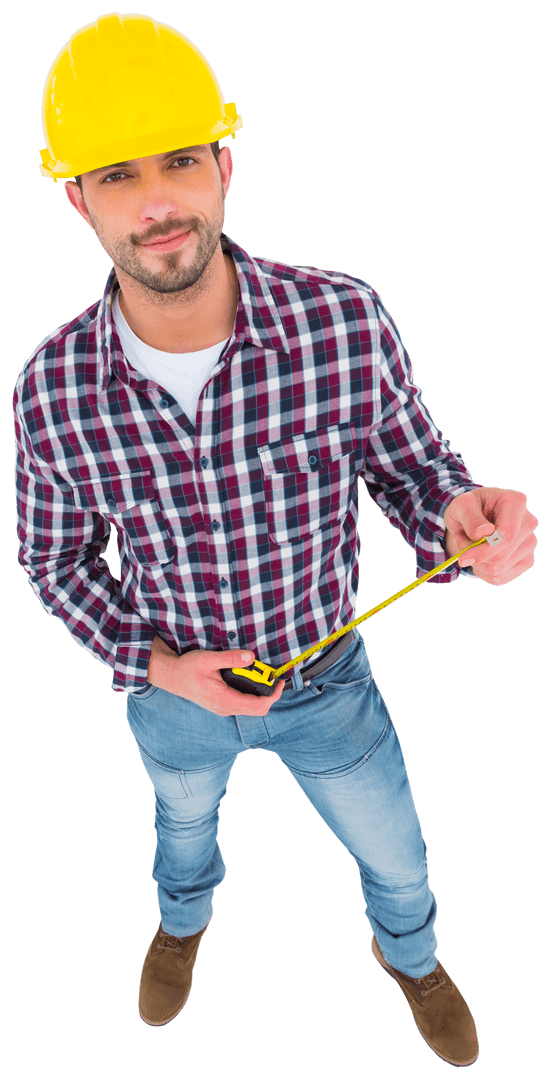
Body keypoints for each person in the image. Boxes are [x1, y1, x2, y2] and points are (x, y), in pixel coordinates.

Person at [13, 12, 538, 1062]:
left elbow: (410, 470)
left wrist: (457, 518)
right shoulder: (50, 390)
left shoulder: (343, 319)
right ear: (76, 198)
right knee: (181, 832)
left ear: (223, 166)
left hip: (326, 685)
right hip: (171, 700)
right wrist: (161, 669)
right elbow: (52, 562)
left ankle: (411, 956)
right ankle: (182, 926)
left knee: (396, 852)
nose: (156, 203)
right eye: (116, 175)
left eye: (179, 160)